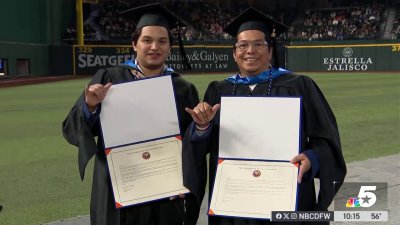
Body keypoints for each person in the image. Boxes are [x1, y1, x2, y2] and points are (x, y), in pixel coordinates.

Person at [183, 7, 347, 225]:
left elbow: (326, 140)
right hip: (234, 202)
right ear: (234, 53)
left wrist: (312, 158)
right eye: (243, 45)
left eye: (258, 44)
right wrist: (202, 127)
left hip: (284, 196)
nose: (250, 50)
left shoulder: (299, 86)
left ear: (270, 51)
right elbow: (202, 148)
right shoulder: (218, 91)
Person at [62, 3, 200, 225]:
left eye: (162, 41)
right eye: (147, 40)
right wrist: (90, 106)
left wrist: (186, 179)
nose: (154, 46)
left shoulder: (183, 88)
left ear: (169, 47)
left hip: (164, 192)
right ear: (134, 44)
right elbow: (72, 128)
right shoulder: (109, 79)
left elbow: (191, 143)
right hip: (117, 188)